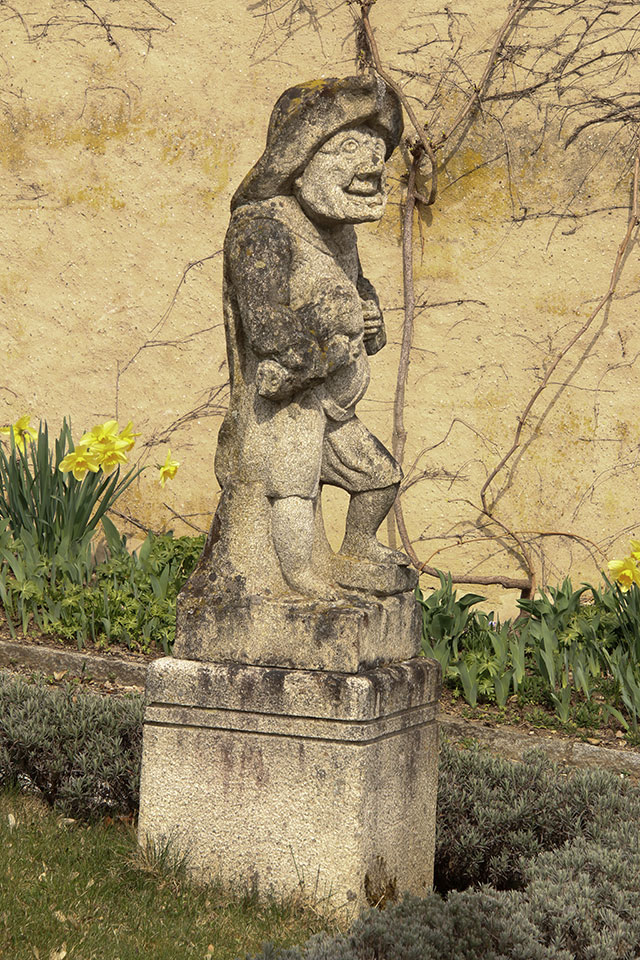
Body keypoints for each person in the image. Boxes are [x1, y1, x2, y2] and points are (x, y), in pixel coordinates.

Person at [214, 75, 408, 599]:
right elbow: (266, 326)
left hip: (335, 405)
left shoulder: (339, 233)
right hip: (288, 407)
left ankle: (357, 548)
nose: (371, 166)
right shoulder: (262, 228)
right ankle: (300, 578)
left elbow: (357, 297)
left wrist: (370, 322)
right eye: (348, 149)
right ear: (297, 164)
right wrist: (333, 333)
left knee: (381, 476)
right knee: (293, 493)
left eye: (376, 152)